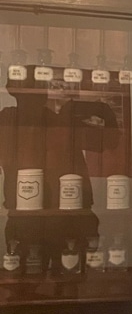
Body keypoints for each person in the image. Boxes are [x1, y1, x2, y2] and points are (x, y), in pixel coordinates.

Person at [0, 70, 121, 272]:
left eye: (40, 88)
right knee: (32, 283)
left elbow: (109, 142)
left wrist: (102, 109)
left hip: (67, 218)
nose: (38, 94)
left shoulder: (61, 122)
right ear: (12, 90)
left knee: (61, 282)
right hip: (29, 220)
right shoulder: (7, 121)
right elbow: (110, 141)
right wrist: (103, 109)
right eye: (35, 88)